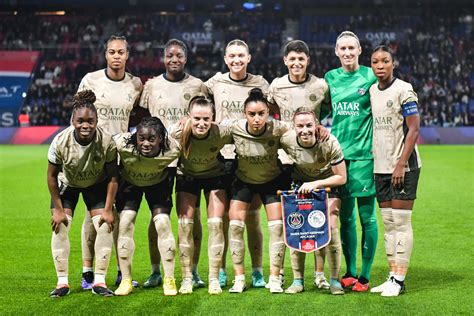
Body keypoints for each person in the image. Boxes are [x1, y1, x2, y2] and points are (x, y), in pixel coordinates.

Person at [139, 39, 208, 289]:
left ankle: (195, 270)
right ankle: (156, 270)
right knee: (158, 216)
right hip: (160, 161)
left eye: (179, 55)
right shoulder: (152, 85)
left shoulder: (198, 86)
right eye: (170, 55)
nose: (174, 59)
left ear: (186, 58)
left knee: (192, 216)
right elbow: (140, 117)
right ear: (164, 58)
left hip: (189, 159)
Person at [77, 35, 142, 289]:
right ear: (105, 55)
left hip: (122, 158)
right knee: (91, 216)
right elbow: (79, 116)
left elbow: (140, 114)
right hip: (94, 159)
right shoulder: (90, 80)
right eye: (112, 52)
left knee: (121, 218)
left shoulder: (135, 84)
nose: (116, 56)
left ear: (127, 55)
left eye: (121, 52)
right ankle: (87, 272)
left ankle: (120, 272)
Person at [205, 39, 269, 288]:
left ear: (249, 57)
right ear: (225, 59)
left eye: (241, 55)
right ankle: (220, 270)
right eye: (231, 56)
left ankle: (256, 271)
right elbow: (196, 106)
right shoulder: (215, 82)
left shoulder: (260, 83)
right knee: (220, 220)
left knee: (252, 218)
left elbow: (271, 110)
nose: (236, 60)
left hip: (250, 157)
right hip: (221, 157)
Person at [268, 39, 332, 289]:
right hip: (286, 160)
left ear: (308, 60)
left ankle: (319, 275)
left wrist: (321, 128)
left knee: (318, 218)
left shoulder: (320, 85)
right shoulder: (276, 85)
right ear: (285, 61)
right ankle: (290, 275)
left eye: (301, 59)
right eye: (292, 59)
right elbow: (270, 110)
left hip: (315, 160)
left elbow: (327, 111)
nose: (296, 63)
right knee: (290, 220)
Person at [47, 90, 118, 297]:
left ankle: (100, 281)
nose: (85, 125)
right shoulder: (60, 141)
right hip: (68, 184)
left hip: (95, 184)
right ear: (72, 120)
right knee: (60, 225)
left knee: (105, 226)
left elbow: (113, 177)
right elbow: (51, 177)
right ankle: (62, 283)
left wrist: (108, 210)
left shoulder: (107, 142)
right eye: (80, 121)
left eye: (90, 121)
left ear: (97, 121)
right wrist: (58, 210)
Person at [324, 31, 378, 292]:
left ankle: (365, 276)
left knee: (367, 218)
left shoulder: (370, 75)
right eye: (342, 48)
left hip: (365, 157)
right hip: (338, 159)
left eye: (351, 48)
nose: (347, 52)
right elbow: (321, 110)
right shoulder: (330, 78)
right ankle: (350, 271)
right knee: (345, 219)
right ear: (336, 52)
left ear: (359, 50)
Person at [369, 46, 421, 297]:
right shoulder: (371, 91)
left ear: (393, 63)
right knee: (389, 224)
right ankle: (392, 275)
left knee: (401, 223)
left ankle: (399, 280)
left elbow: (414, 129)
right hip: (380, 166)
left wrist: (400, 163)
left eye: (385, 61)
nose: (380, 65)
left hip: (403, 166)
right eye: (375, 62)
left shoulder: (404, 90)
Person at [226, 88, 289, 293]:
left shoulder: (278, 129)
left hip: (272, 181)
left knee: (277, 228)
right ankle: (239, 278)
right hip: (243, 181)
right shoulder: (234, 128)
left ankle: (275, 278)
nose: (256, 118)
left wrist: (319, 129)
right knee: (235, 226)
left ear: (268, 113)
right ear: (245, 114)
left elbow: (301, 132)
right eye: (252, 114)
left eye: (261, 113)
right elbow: (210, 132)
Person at [280, 107, 346, 295]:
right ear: (294, 127)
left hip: (326, 183)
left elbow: (342, 177)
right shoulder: (286, 140)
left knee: (331, 228)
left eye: (309, 125)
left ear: (316, 125)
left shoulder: (329, 142)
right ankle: (298, 280)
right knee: (296, 228)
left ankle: (334, 280)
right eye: (300, 126)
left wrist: (316, 183)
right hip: (300, 185)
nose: (305, 130)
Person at [113, 117, 181, 296]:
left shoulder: (173, 148)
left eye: (152, 139)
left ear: (160, 138)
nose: (146, 143)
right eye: (141, 138)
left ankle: (169, 279)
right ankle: (126, 280)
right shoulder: (122, 144)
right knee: (125, 223)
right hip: (129, 183)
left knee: (163, 224)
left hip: (158, 183)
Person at [172, 96, 232, 295]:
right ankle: (187, 279)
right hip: (187, 177)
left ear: (213, 118)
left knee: (216, 225)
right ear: (188, 117)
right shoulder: (178, 132)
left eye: (206, 119)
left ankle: (214, 278)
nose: (201, 123)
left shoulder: (221, 132)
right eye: (197, 118)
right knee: (184, 227)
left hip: (215, 176)